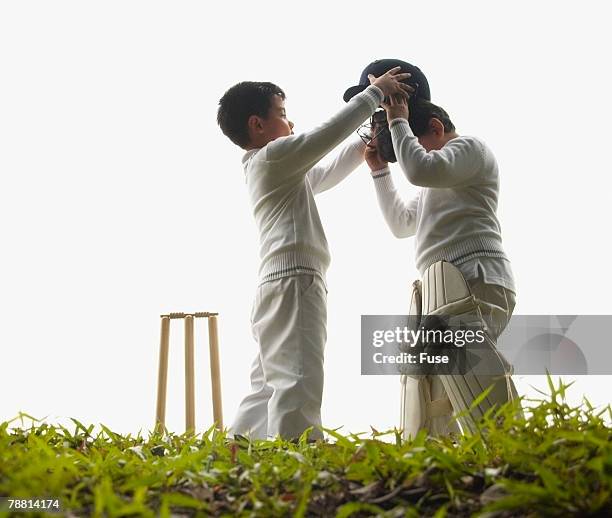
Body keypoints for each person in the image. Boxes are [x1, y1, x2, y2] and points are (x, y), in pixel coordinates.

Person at [216, 69, 412, 441]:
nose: (291, 121)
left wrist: (367, 140)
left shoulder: (272, 167)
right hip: (295, 282)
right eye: (282, 112)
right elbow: (326, 136)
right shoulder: (275, 157)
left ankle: (235, 454)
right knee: (299, 380)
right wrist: (375, 94)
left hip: (275, 285)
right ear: (257, 125)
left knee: (267, 385)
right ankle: (300, 466)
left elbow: (328, 170)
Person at [362, 83, 519, 437]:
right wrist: (379, 172)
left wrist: (399, 120)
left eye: (415, 144)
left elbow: (420, 169)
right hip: (444, 284)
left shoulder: (469, 149)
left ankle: (512, 456)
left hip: (474, 275)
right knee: (439, 393)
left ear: (435, 128)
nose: (412, 156)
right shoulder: (434, 179)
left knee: (477, 382)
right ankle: (454, 472)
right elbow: (402, 224)